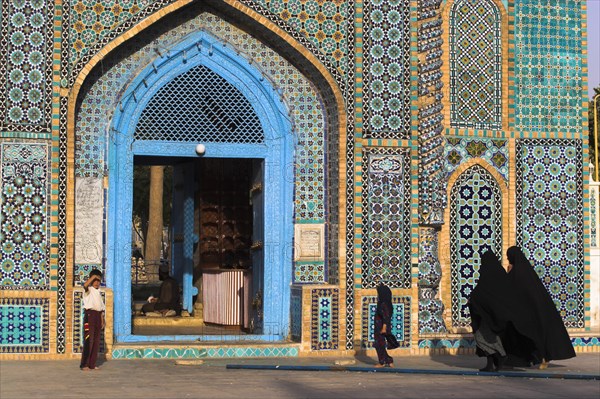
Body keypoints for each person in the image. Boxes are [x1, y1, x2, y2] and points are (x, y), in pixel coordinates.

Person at [506, 246, 576, 368]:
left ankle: (538, 357)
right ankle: (540, 357)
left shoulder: (517, 273)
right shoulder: (528, 272)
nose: (508, 259)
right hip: (536, 311)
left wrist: (509, 273)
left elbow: (511, 290)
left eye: (508, 257)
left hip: (526, 313)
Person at [80, 269, 105, 371]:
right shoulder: (88, 290)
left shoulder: (99, 292)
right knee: (89, 340)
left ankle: (92, 364)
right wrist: (93, 277)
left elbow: (101, 309)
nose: (97, 282)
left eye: (99, 280)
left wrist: (102, 320)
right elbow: (85, 285)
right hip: (90, 315)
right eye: (95, 280)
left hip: (97, 316)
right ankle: (84, 364)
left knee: (96, 341)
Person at [373, 283, 394, 368]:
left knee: (379, 344)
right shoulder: (388, 303)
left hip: (381, 327)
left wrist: (384, 328)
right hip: (383, 326)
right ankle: (388, 361)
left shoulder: (383, 304)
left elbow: (386, 316)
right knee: (380, 344)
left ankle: (383, 362)